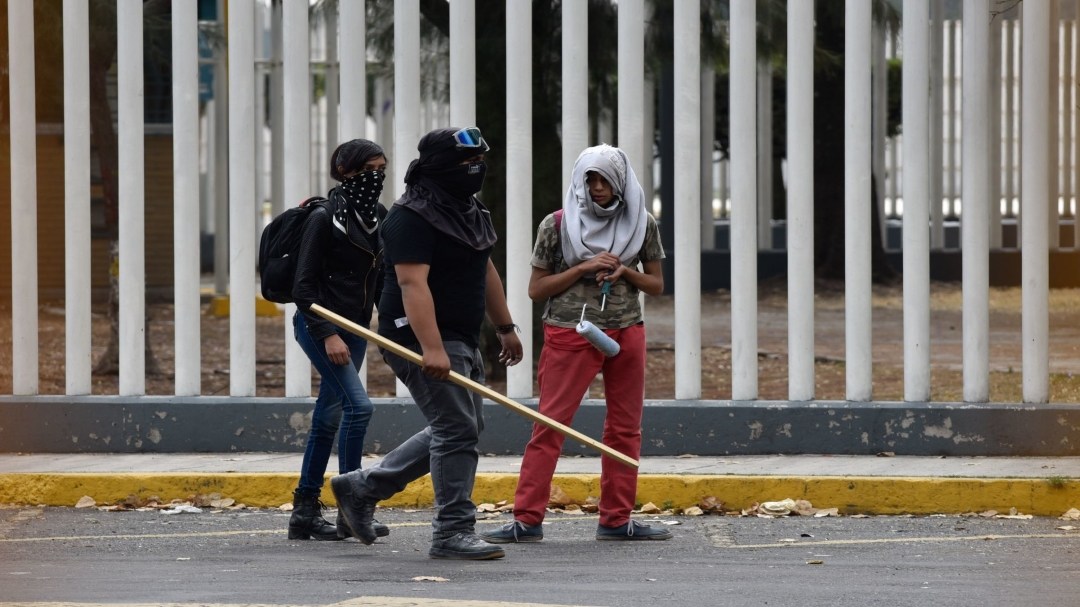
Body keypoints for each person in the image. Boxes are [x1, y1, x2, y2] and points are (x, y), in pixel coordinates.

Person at [331, 127, 523, 560]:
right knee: (457, 429)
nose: (475, 172)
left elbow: (484, 267)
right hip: (416, 335)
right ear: (439, 168)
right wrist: (430, 347)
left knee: (461, 427)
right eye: (465, 165)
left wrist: (505, 326)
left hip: (460, 333)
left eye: (479, 163)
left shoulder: (468, 209)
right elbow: (411, 282)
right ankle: (452, 530)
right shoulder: (411, 216)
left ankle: (361, 488)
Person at [480, 144, 671, 543]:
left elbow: (655, 284)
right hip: (571, 332)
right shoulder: (558, 224)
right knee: (551, 424)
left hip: (626, 330)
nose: (597, 188)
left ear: (620, 181)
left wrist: (624, 271)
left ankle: (617, 519)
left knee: (625, 428)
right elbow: (536, 290)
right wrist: (584, 267)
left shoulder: (642, 222)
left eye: (604, 180)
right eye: (591, 180)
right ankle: (527, 519)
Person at [287, 139, 391, 541]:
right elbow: (303, 286)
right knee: (358, 407)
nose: (376, 177)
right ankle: (354, 503)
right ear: (345, 171)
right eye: (368, 169)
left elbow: (380, 279)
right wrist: (328, 333)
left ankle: (305, 512)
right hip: (320, 327)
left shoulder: (376, 216)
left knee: (329, 417)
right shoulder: (323, 217)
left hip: (357, 330)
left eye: (381, 168)